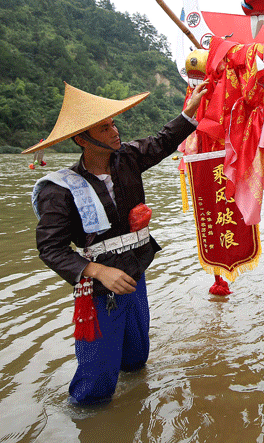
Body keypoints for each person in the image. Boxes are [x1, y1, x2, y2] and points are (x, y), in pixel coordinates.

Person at [26, 80, 208, 405]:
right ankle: (88, 422)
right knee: (96, 384)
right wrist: (96, 270)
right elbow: (50, 250)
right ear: (82, 139)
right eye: (104, 128)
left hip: (135, 276)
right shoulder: (60, 190)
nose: (114, 132)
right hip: (99, 289)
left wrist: (190, 112)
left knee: (137, 359)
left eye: (113, 124)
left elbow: (164, 142)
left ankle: (131, 412)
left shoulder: (129, 160)